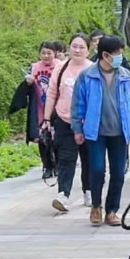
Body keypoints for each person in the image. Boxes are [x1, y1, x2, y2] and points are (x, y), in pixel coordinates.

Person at [72, 34, 130, 226]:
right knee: (97, 170)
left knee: (119, 173)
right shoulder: (87, 76)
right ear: (105, 55)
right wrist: (77, 129)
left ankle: (112, 210)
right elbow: (78, 105)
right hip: (95, 132)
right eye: (117, 53)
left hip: (120, 132)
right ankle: (96, 206)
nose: (120, 56)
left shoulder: (124, 75)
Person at [46, 38, 93, 213]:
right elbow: (51, 93)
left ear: (88, 50)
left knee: (88, 158)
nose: (77, 50)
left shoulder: (93, 69)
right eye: (74, 46)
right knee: (66, 158)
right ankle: (63, 195)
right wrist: (46, 119)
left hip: (87, 123)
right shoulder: (61, 68)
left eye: (82, 47)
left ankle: (89, 191)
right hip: (64, 120)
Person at [16, 41, 62, 183]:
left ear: (55, 53)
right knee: (43, 139)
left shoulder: (61, 66)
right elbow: (28, 87)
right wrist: (28, 82)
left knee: (58, 139)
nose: (46, 56)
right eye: (43, 53)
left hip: (58, 108)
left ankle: (58, 165)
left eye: (49, 53)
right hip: (40, 108)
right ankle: (47, 167)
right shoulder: (35, 67)